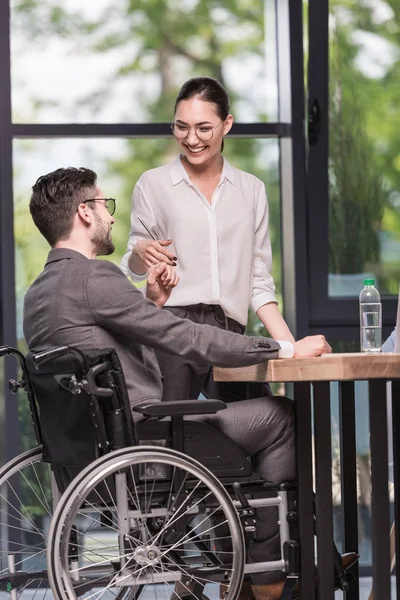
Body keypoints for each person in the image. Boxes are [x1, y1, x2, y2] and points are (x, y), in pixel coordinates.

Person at [23, 167, 332, 600]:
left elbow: (109, 350)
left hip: (90, 455)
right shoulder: (95, 277)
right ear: (85, 213)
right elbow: (186, 336)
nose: (112, 217)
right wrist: (284, 349)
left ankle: (240, 565)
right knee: (280, 416)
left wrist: (151, 303)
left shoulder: (39, 294)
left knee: (232, 432)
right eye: (105, 206)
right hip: (141, 445)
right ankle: (266, 576)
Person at [121, 77, 298, 404]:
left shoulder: (251, 190)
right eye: (181, 127)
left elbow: (258, 282)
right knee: (165, 436)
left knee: (273, 417)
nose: (191, 139)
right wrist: (139, 251)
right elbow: (134, 269)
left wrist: (290, 347)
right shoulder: (154, 185)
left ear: (226, 124)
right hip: (172, 330)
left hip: (228, 333)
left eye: (204, 128)